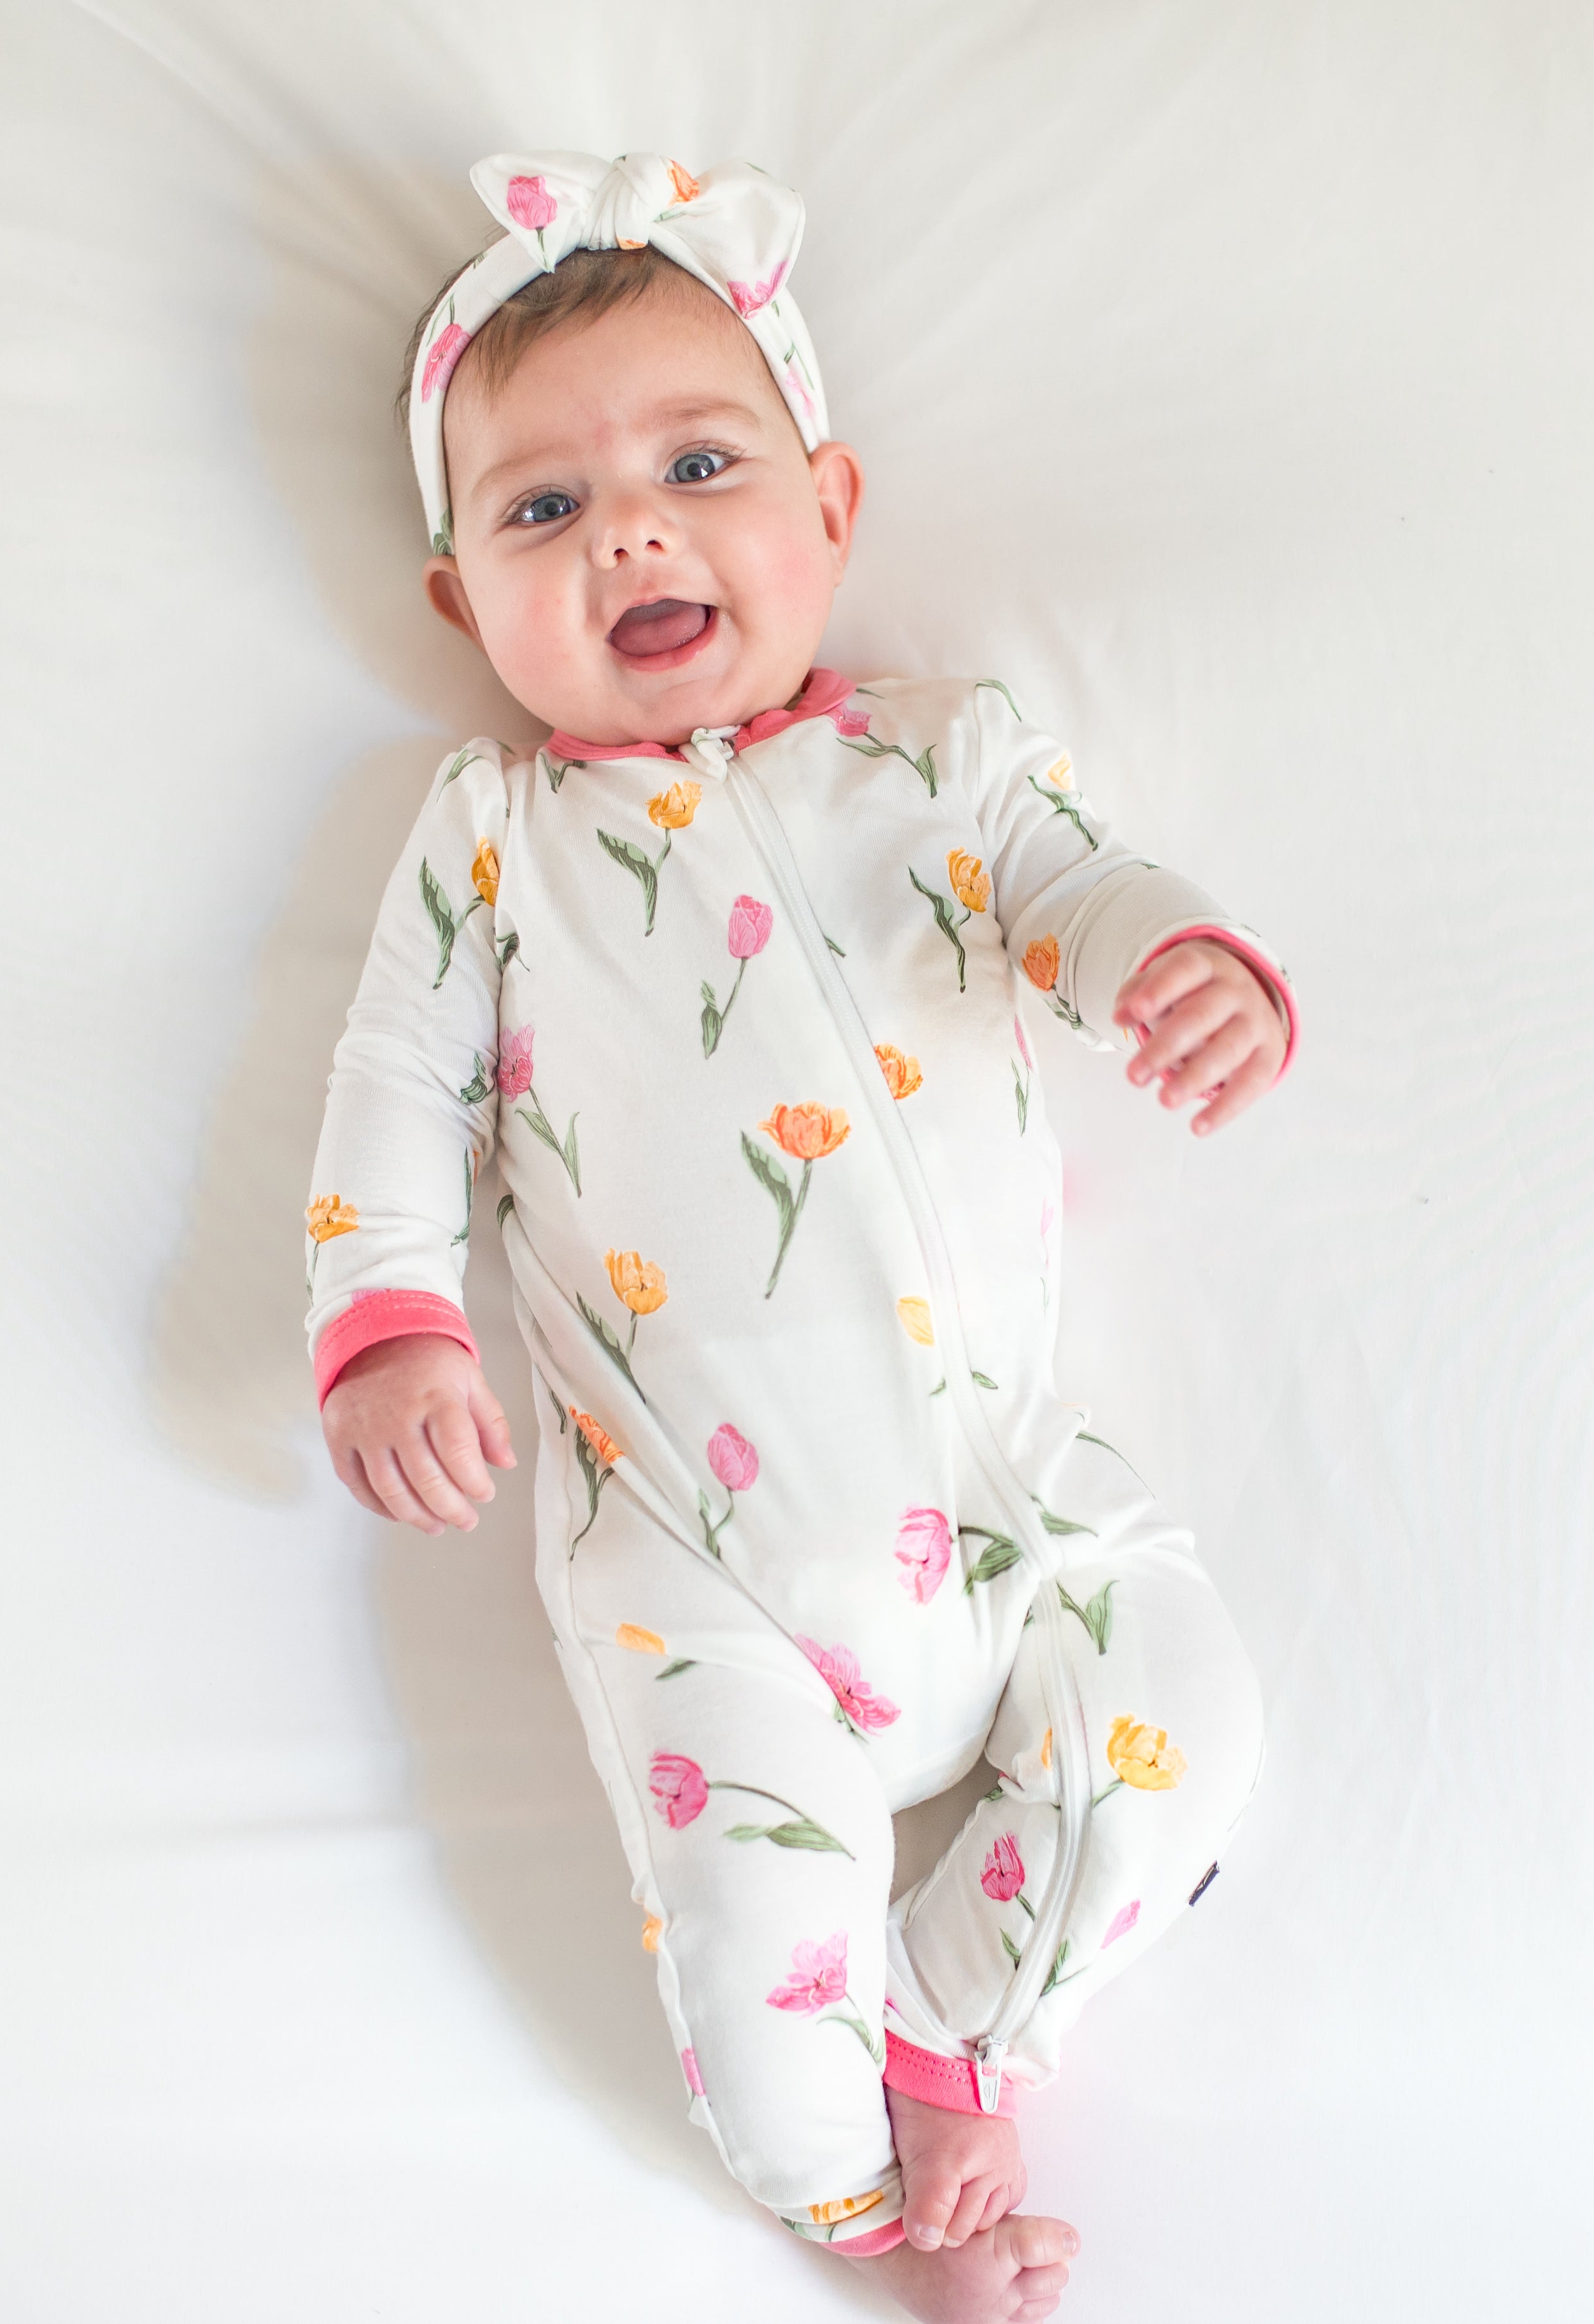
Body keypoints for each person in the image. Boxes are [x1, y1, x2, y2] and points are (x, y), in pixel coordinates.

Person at [305, 150, 1298, 2324]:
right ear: (467, 606)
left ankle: (959, 2030)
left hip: (1010, 1501)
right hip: (698, 1573)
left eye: (697, 462)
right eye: (542, 511)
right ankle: (860, 2207)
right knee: (755, 1961)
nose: (633, 527)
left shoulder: (942, 760)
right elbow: (396, 1092)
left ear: (828, 510)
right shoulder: (493, 841)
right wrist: (387, 1323)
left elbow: (1074, 883)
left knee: (1194, 1714)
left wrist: (1172, 954)